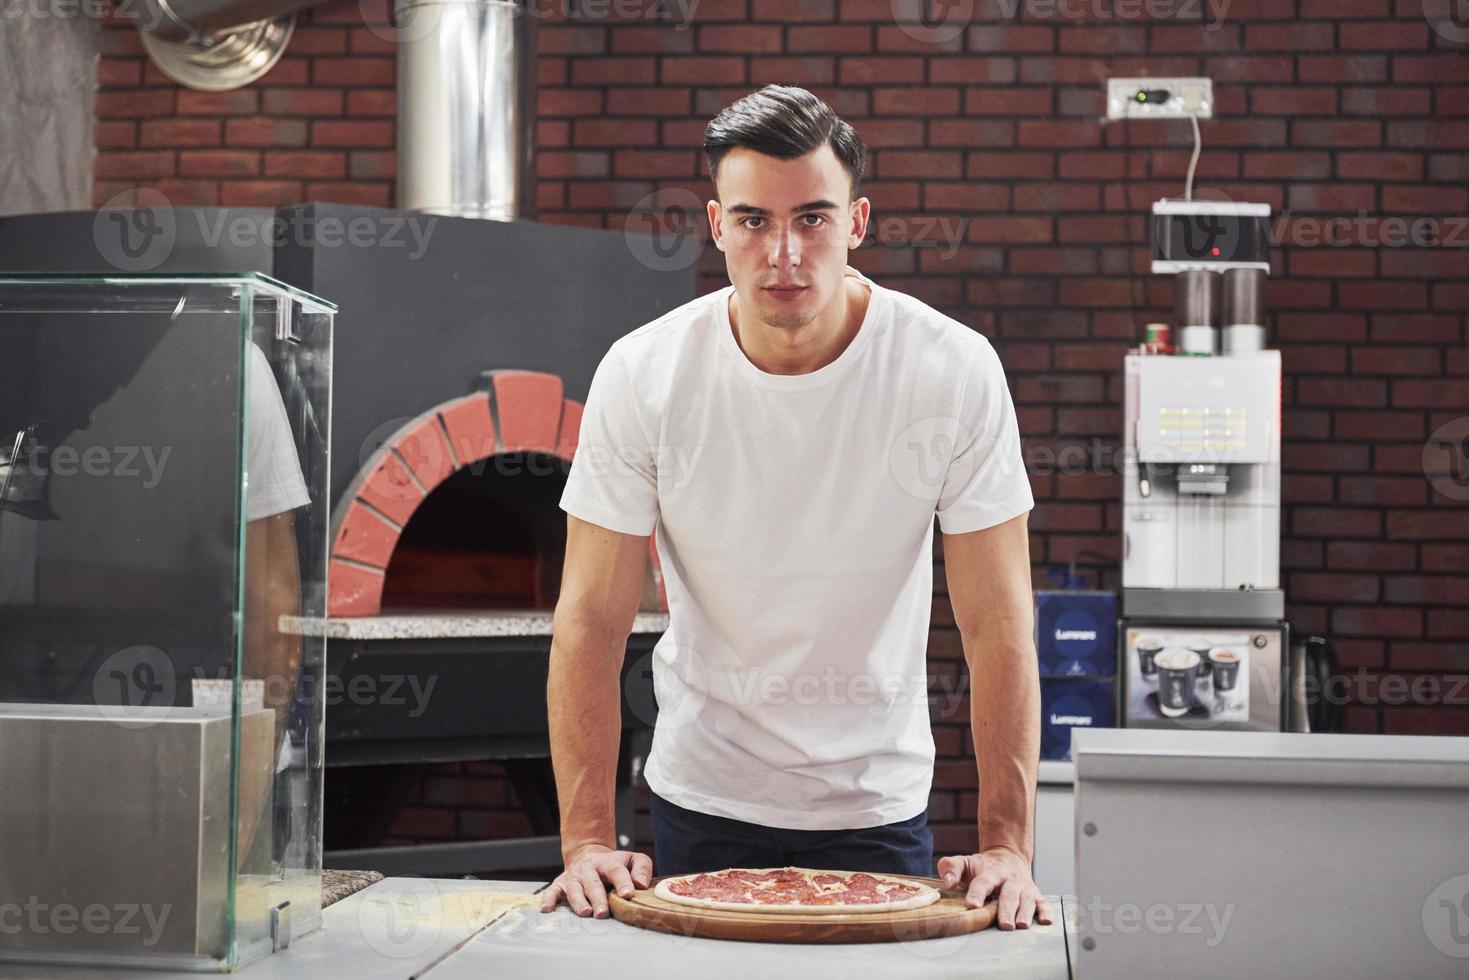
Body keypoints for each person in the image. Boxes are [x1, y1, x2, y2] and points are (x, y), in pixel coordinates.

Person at [539, 85, 1051, 932]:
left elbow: (997, 621)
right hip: (700, 799)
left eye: (812, 219)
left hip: (875, 806)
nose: (782, 252)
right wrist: (587, 838)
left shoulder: (951, 369)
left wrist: (1008, 844)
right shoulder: (643, 373)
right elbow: (590, 618)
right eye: (752, 221)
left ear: (856, 223)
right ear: (714, 226)